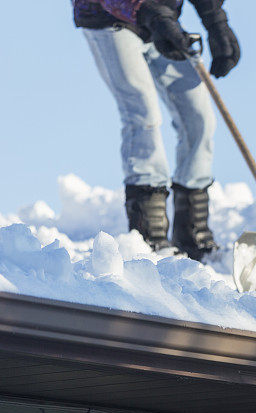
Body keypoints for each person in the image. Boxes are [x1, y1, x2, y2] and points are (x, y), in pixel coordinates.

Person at [71, 0, 240, 259]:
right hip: (109, 18)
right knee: (143, 116)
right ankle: (150, 235)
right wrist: (153, 13)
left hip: (160, 21)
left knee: (199, 118)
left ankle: (192, 235)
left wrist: (216, 22)